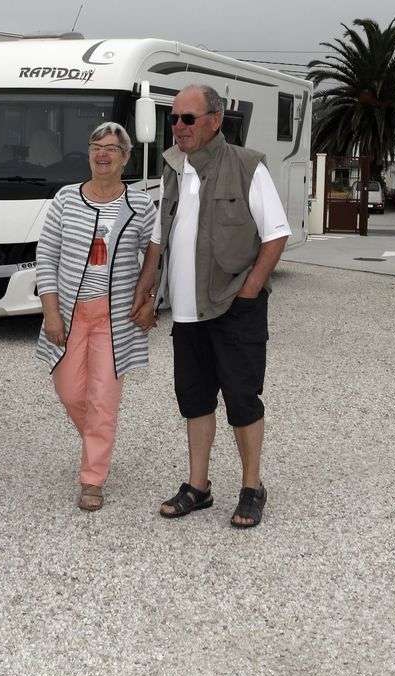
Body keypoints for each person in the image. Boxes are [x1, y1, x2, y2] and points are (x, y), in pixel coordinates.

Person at [131, 84, 292, 529]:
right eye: (174, 118)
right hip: (185, 312)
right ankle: (198, 488)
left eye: (188, 118)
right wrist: (147, 286)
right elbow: (160, 236)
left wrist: (250, 290)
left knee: (242, 399)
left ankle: (251, 487)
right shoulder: (171, 168)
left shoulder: (246, 166)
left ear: (215, 120)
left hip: (233, 307)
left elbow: (276, 234)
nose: (178, 126)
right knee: (195, 400)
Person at [36, 122, 157, 511]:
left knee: (103, 398)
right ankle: (98, 442)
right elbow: (46, 257)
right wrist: (51, 313)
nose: (101, 154)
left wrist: (150, 298)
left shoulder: (141, 205)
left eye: (111, 148)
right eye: (95, 147)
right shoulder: (66, 199)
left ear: (126, 158)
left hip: (114, 319)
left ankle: (93, 477)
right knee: (70, 390)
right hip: (70, 317)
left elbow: (156, 255)